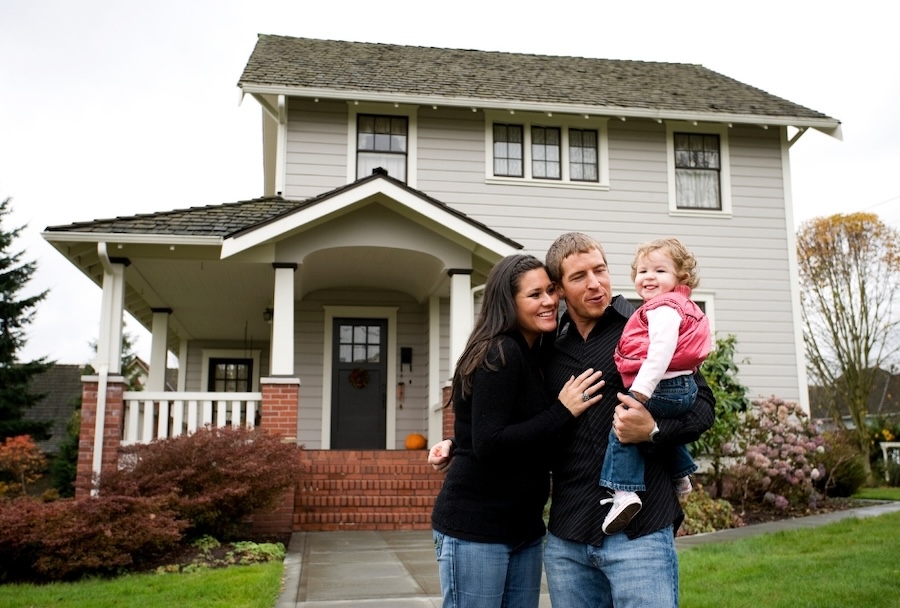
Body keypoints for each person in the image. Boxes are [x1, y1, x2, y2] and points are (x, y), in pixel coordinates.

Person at [541, 232, 715, 608]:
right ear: (559, 289)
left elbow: (702, 406)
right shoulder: (548, 349)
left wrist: (651, 431)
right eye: (578, 277)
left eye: (600, 270)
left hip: (642, 535)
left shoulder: (647, 326)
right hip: (567, 537)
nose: (594, 284)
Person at [430, 253, 603, 608]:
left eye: (551, 291)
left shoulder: (534, 353)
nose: (549, 302)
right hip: (478, 527)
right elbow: (491, 443)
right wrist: (562, 411)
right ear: (508, 303)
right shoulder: (500, 352)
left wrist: (454, 441)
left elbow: (489, 425)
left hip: (523, 528)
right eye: (534, 295)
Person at [599, 237, 712, 535]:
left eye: (660, 271)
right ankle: (681, 474)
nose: (649, 277)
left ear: (680, 278)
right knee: (651, 429)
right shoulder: (676, 305)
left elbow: (660, 352)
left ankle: (624, 493)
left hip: (664, 386)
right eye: (643, 270)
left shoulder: (664, 308)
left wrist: (639, 392)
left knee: (623, 425)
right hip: (679, 386)